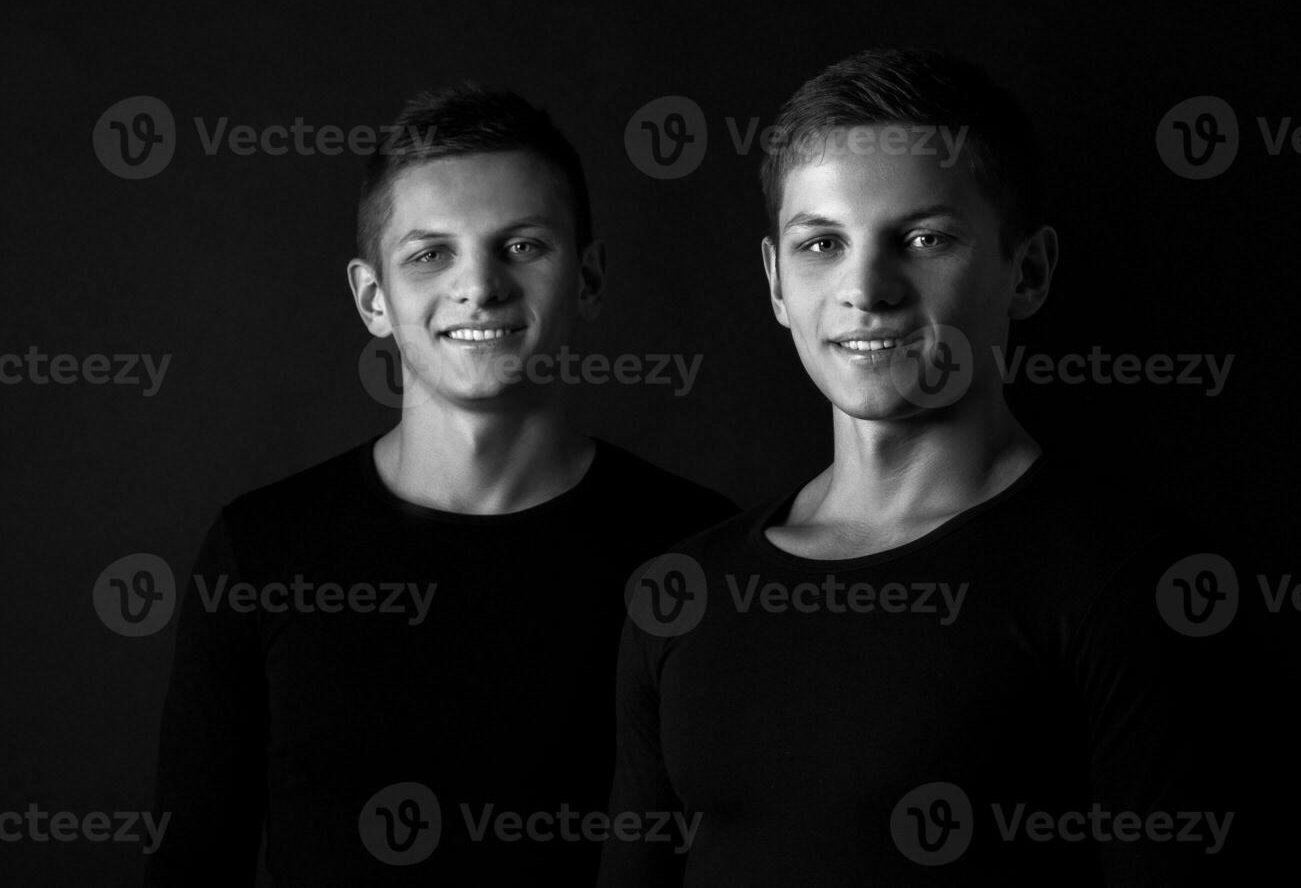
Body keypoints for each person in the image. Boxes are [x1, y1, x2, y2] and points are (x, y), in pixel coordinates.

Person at [598, 48, 1231, 886]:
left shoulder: (1125, 581)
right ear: (777, 283)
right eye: (821, 242)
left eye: (926, 238)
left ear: (1028, 271)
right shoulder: (681, 595)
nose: (866, 286)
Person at [145, 83, 738, 885]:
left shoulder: (698, 553)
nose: (479, 286)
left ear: (590, 278)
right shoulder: (261, 551)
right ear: (371, 298)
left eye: (523, 246)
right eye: (430, 254)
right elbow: (189, 869)